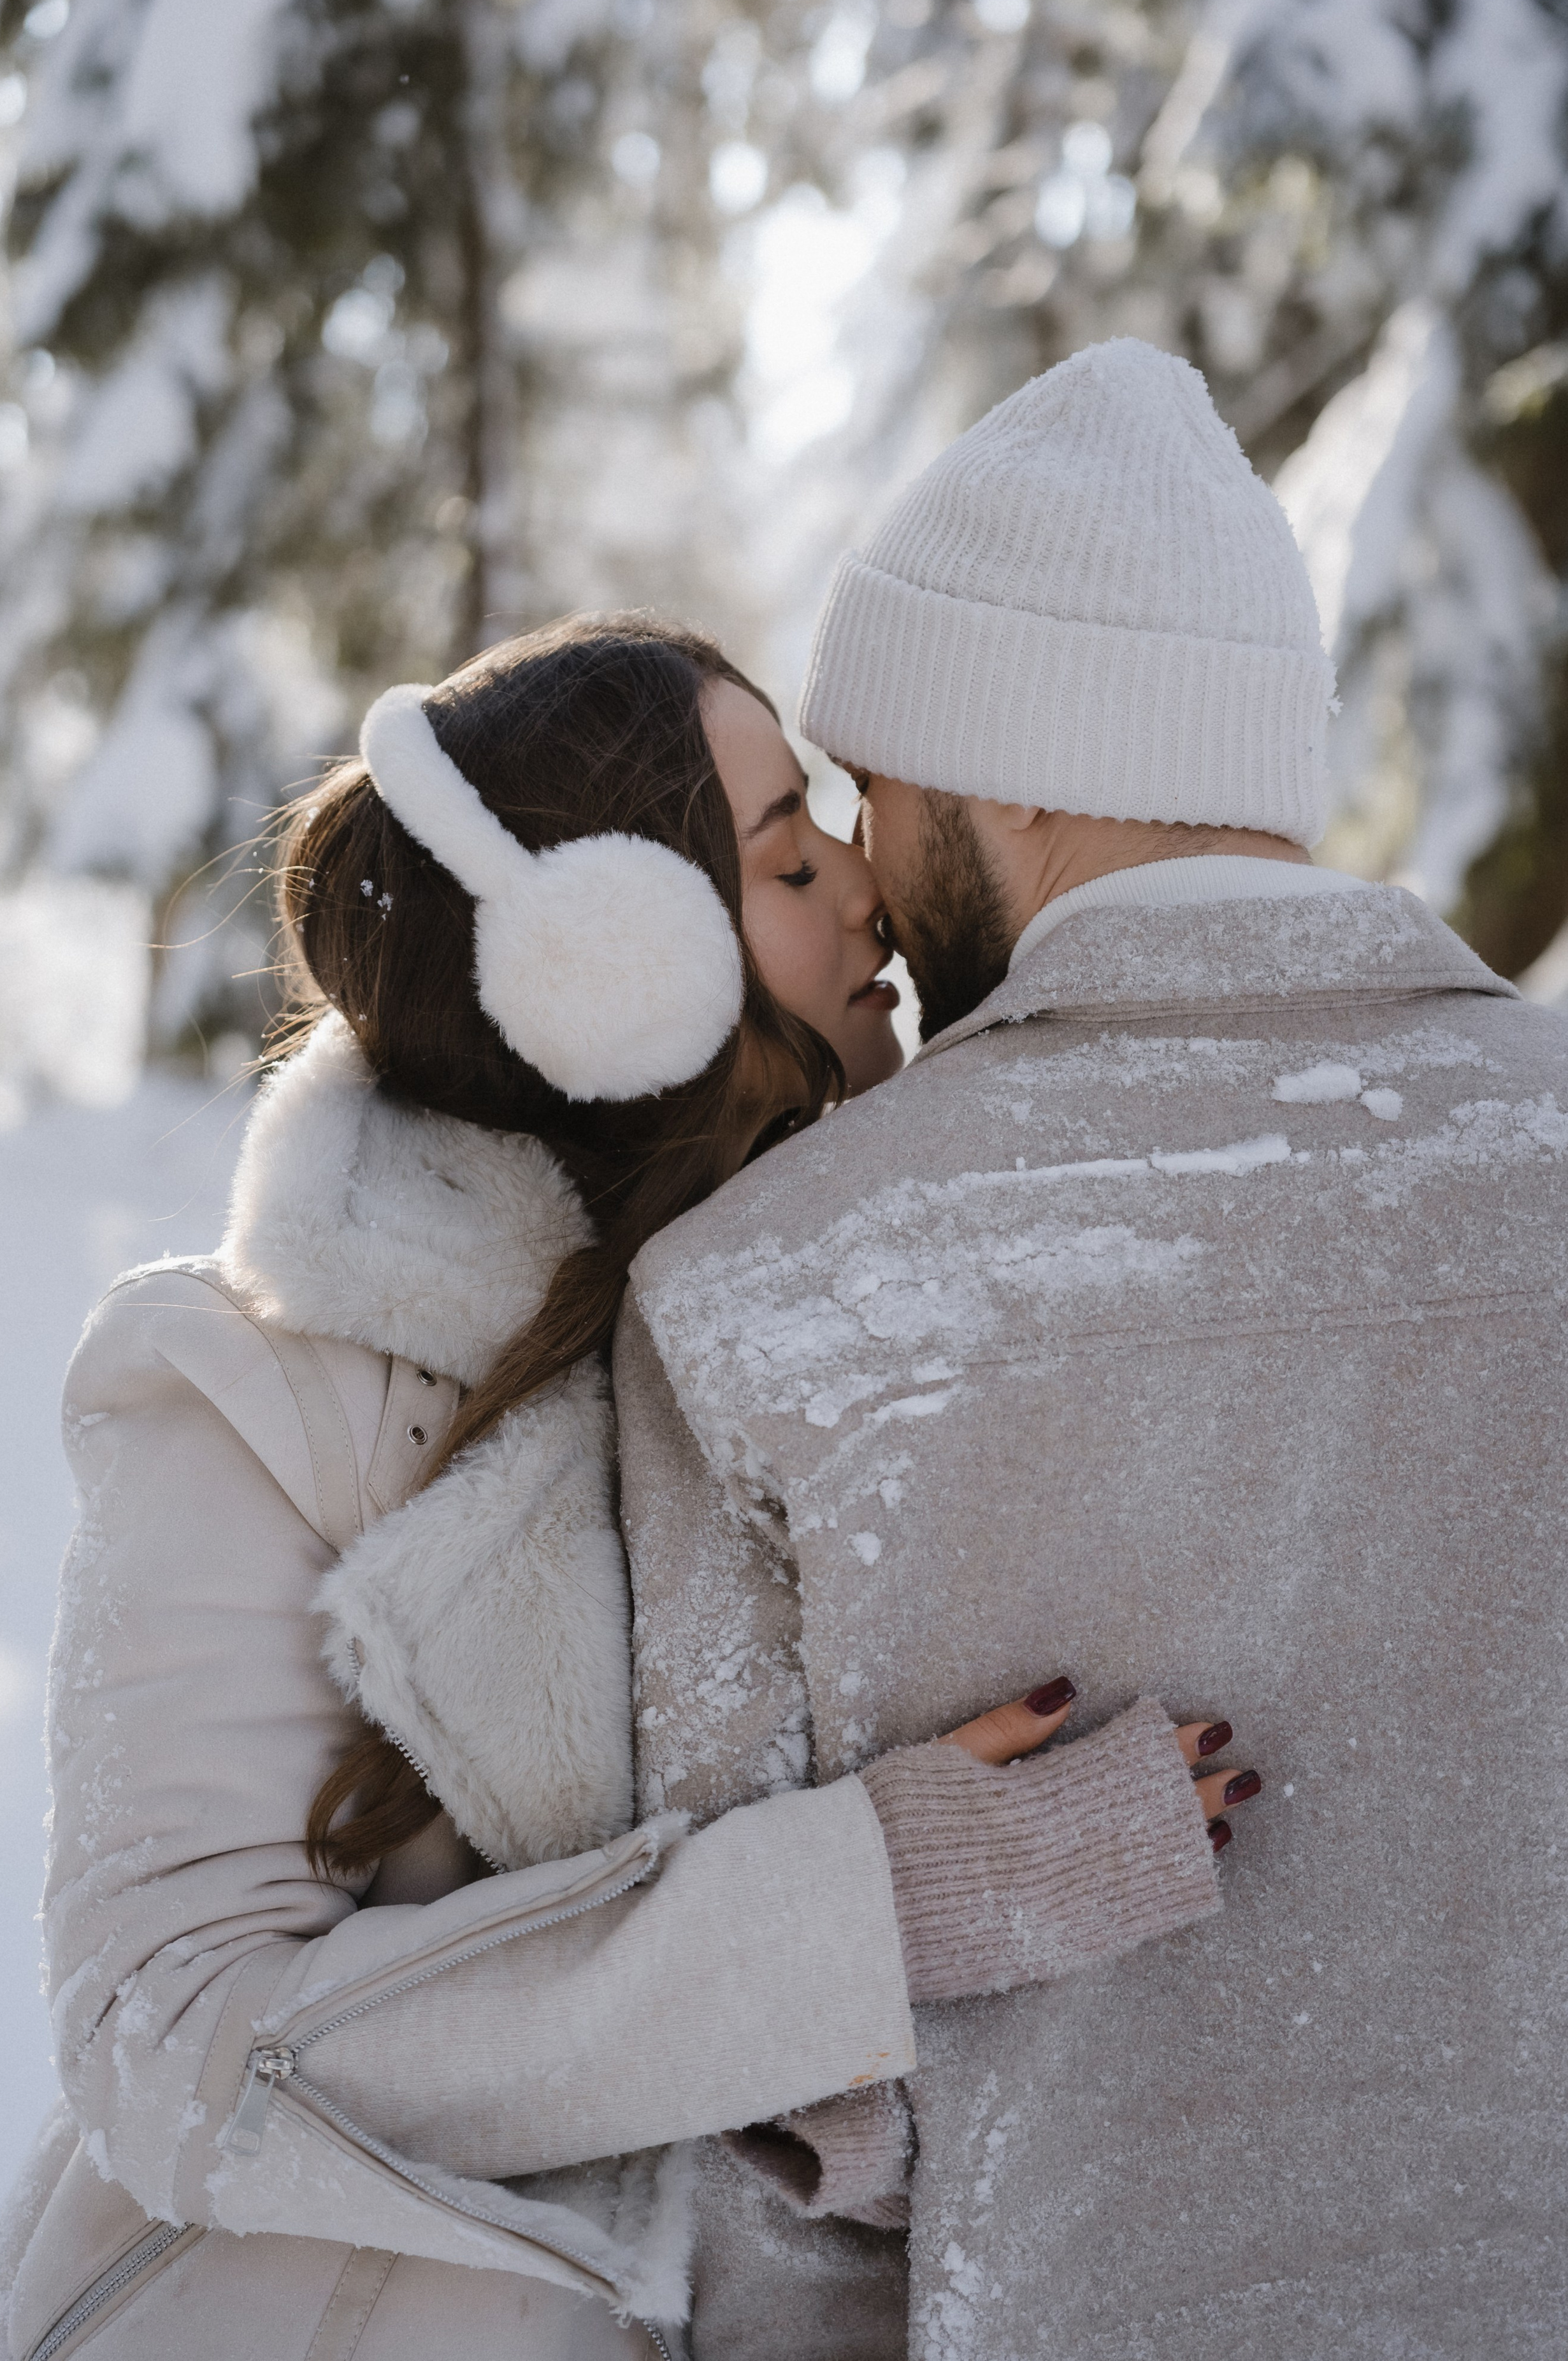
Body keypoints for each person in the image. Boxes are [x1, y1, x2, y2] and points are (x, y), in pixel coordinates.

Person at [0, 617, 1241, 2361]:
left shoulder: (868, 1353)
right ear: (613, 967)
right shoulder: (253, 1394)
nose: (869, 891)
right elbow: (173, 2044)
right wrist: (867, 1905)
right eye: (790, 855)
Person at [614, 340, 1568, 2358]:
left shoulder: (767, 1294)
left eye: (880, 789)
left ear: (1027, 759)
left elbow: (758, 2100)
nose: (865, 864)